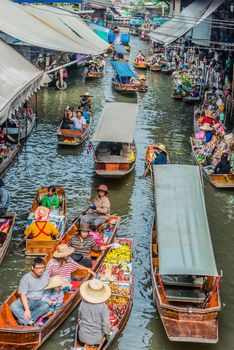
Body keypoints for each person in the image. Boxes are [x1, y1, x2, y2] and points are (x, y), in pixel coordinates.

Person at [10, 257, 50, 326]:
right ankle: (30, 322)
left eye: (42, 267)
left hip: (39, 301)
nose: (41, 270)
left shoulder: (46, 275)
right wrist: (27, 309)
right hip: (27, 300)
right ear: (32, 268)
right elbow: (23, 295)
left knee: (46, 306)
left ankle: (25, 321)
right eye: (38, 268)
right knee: (13, 306)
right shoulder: (26, 278)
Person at [77, 279, 111, 346]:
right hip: (98, 340)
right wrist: (107, 333)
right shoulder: (103, 307)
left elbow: (79, 318)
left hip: (82, 338)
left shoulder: (82, 303)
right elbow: (106, 324)